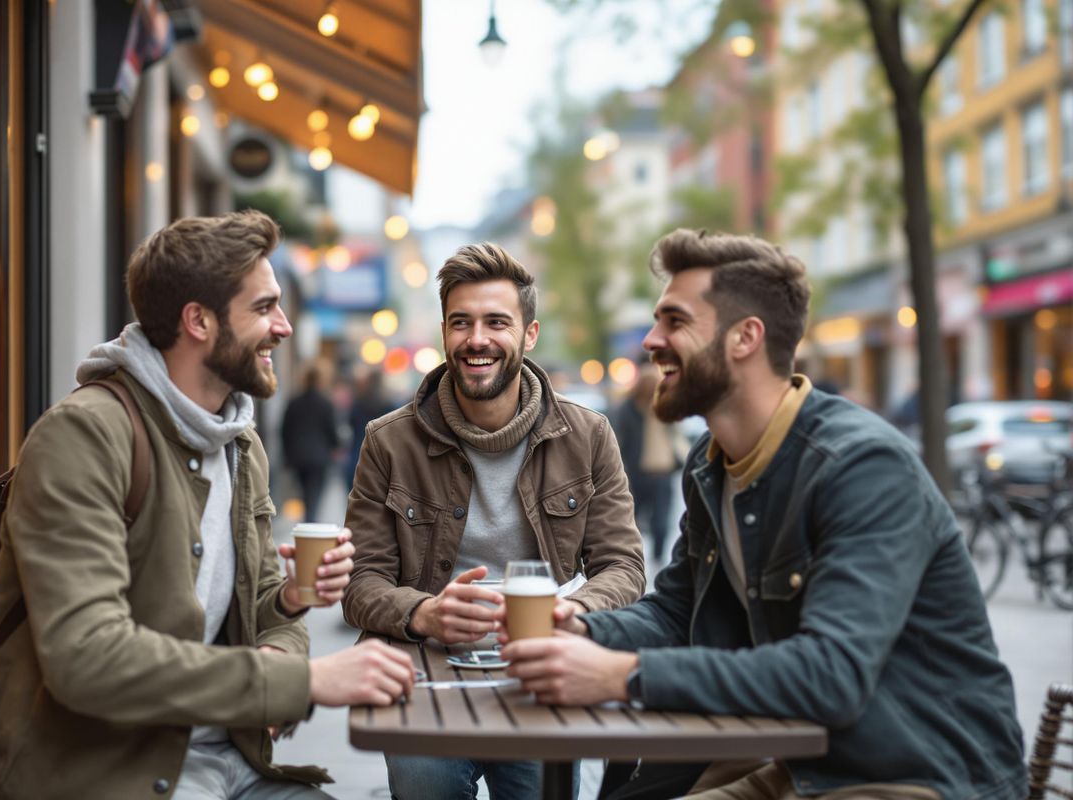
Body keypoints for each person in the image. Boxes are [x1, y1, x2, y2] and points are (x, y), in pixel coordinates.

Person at [501, 229, 1026, 800]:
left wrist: (623, 676)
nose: (652, 341)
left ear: (745, 338)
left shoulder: (861, 466)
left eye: (675, 321)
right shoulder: (713, 462)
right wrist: (581, 626)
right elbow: (680, 614)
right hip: (803, 762)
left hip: (916, 773)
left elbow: (832, 675)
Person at [0, 211, 415, 800]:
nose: (283, 327)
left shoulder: (238, 441)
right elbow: (88, 659)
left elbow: (267, 608)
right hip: (100, 772)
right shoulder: (83, 436)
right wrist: (299, 680)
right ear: (198, 320)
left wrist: (290, 604)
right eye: (263, 308)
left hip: (226, 758)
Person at [342, 243, 646, 800]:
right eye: (462, 322)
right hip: (423, 675)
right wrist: (424, 612)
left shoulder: (588, 435)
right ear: (444, 332)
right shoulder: (388, 441)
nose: (476, 338)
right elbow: (360, 584)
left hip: (535, 668)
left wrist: (571, 610)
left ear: (529, 334)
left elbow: (624, 567)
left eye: (496, 322)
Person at [611, 362, 688, 564]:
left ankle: (656, 557)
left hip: (662, 472)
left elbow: (677, 436)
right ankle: (631, 556)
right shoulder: (627, 411)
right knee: (631, 519)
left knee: (660, 521)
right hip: (636, 473)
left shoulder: (666, 408)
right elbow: (620, 441)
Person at [281, 361, 341, 522]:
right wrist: (337, 446)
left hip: (298, 456)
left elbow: (285, 431)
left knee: (305, 493)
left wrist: (287, 456)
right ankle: (310, 523)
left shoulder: (294, 402)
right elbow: (332, 431)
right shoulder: (325, 403)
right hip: (319, 457)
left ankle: (308, 522)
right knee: (314, 494)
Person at [344, 366, 395, 490]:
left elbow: (350, 422)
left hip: (357, 451)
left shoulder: (358, 401)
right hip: (380, 453)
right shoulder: (388, 403)